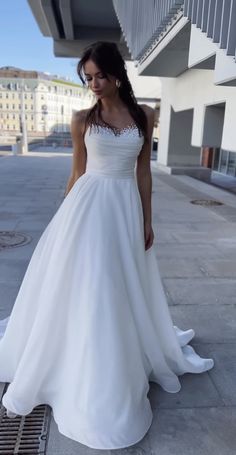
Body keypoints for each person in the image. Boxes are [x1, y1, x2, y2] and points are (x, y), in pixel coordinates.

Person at [0, 41, 214, 450]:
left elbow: (144, 173)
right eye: (88, 78)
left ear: (117, 73)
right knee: (91, 285)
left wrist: (147, 220)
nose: (94, 83)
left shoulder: (143, 115)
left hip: (125, 208)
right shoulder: (82, 119)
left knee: (120, 283)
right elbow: (77, 172)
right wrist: (64, 220)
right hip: (87, 208)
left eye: (100, 75)